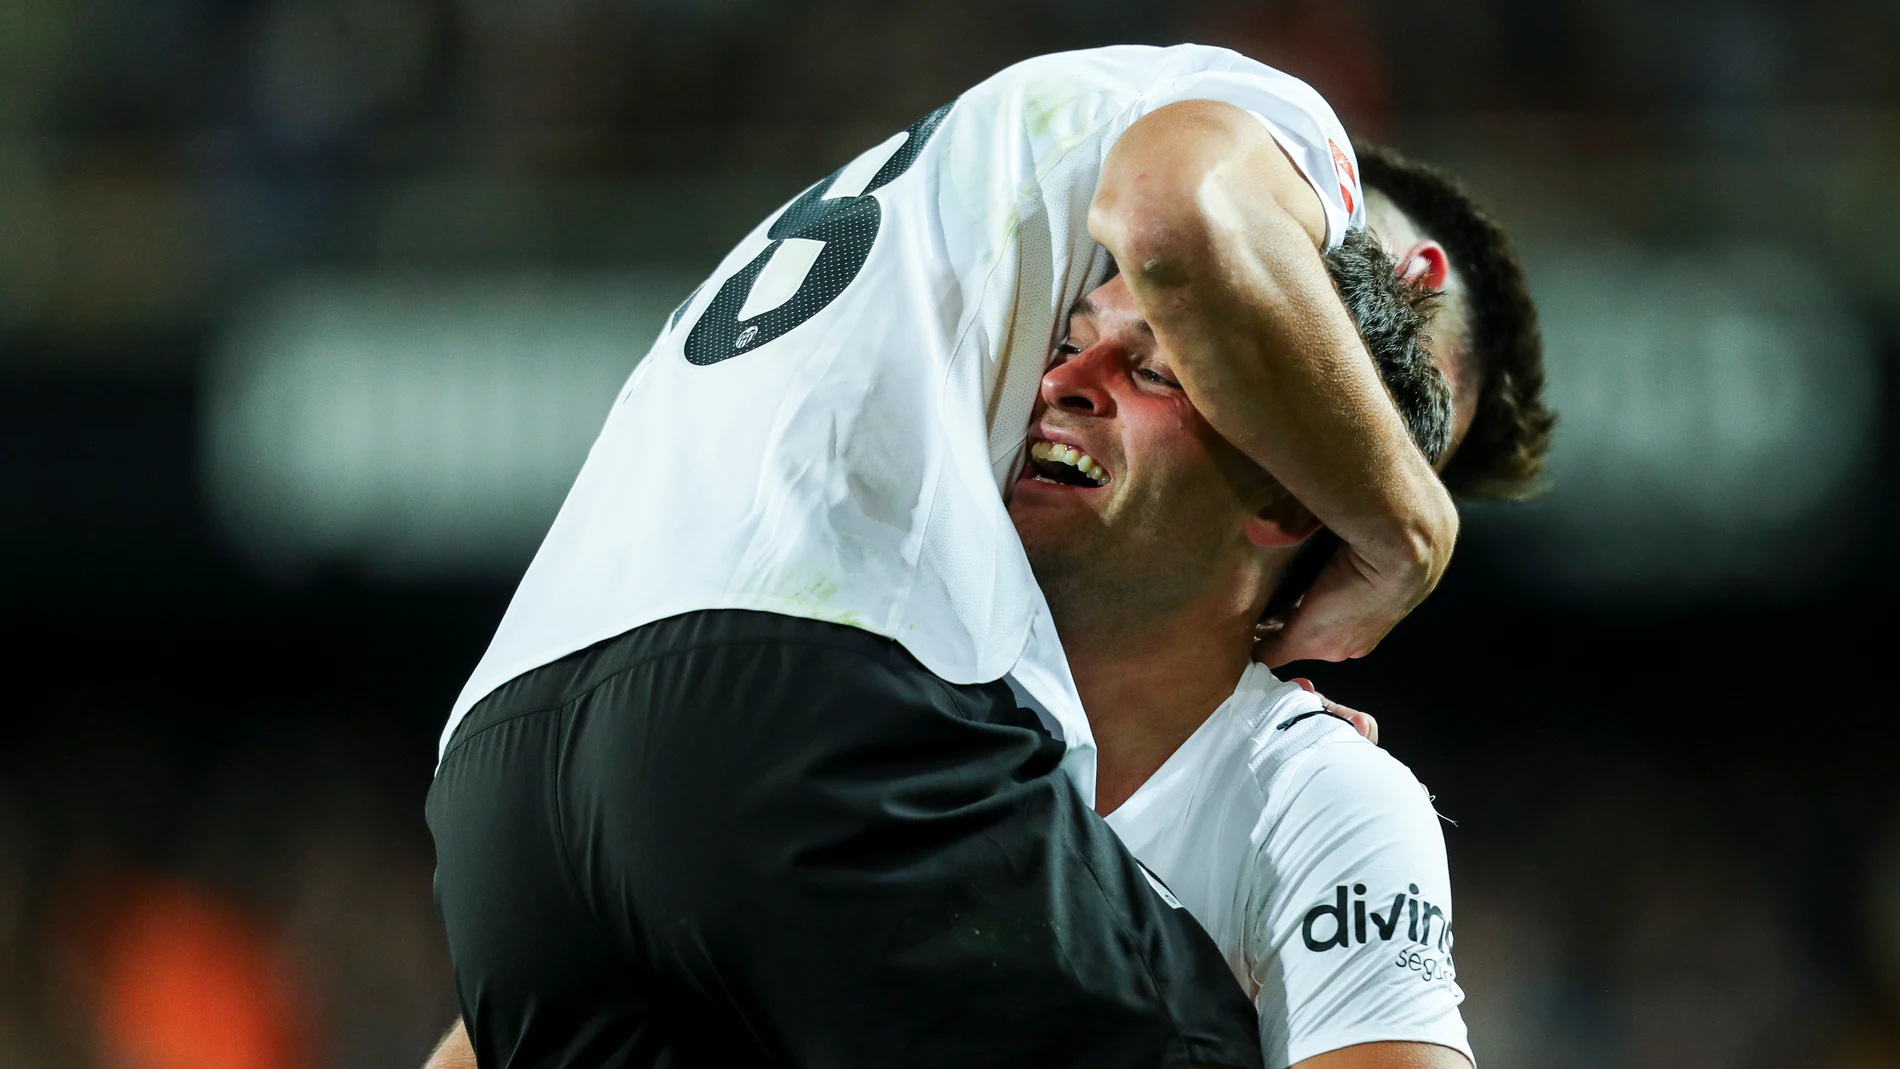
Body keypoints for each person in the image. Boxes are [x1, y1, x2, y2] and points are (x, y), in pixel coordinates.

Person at [426, 44, 1459, 1069]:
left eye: (1160, 366)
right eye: (1068, 342)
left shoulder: (1301, 793)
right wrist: (1411, 525)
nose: (1068, 379)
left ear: (1293, 483)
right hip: (779, 711)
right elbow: (1173, 215)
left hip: (504, 795)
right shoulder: (1264, 119)